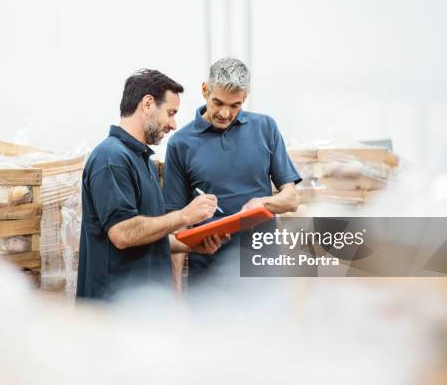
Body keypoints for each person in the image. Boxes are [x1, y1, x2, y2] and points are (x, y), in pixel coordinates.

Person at [76, 69, 227, 300]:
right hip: (115, 313)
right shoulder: (111, 158)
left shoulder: (142, 160)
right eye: (170, 113)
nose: (174, 124)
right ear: (147, 104)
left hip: (143, 310)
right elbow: (123, 233)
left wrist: (191, 245)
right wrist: (185, 216)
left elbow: (146, 235)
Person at [162, 58, 301, 285]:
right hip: (208, 277)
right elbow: (178, 222)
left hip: (261, 272)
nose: (225, 114)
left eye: (235, 105)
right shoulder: (180, 143)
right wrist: (176, 293)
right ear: (205, 90)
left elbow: (291, 198)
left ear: (245, 98)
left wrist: (263, 204)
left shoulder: (266, 128)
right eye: (218, 102)